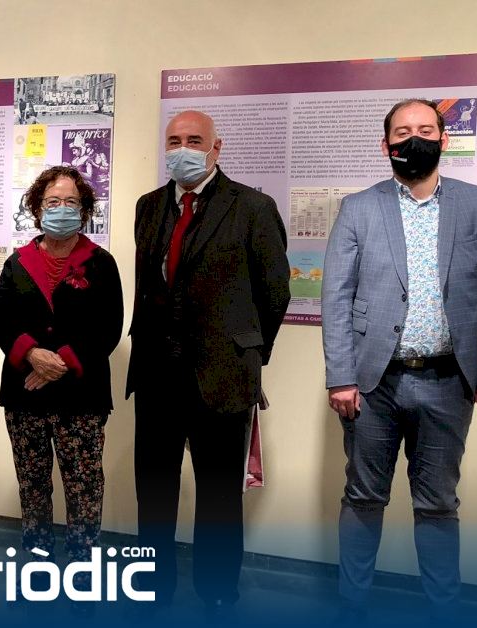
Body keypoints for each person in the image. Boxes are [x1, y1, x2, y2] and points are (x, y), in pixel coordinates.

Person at [322, 98, 477, 622]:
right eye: (403, 132)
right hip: (372, 384)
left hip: (448, 382)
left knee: (438, 504)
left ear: (444, 139)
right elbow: (335, 297)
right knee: (363, 497)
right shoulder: (359, 207)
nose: (414, 139)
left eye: (426, 130)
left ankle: (443, 610)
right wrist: (340, 377)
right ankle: (351, 606)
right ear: (385, 144)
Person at [126, 110, 290, 619]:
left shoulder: (253, 207)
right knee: (154, 490)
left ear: (216, 148)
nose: (183, 149)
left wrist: (247, 352)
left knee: (219, 495)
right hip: (157, 372)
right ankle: (152, 583)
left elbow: (274, 293)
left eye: (194, 140)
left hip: (222, 374)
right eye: (174, 140)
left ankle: (218, 591)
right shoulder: (149, 206)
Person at [0, 166, 122, 616]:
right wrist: (30, 353)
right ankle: (38, 569)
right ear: (37, 208)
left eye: (70, 202)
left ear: (83, 209)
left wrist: (59, 362)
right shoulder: (17, 262)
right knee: (33, 486)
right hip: (24, 396)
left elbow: (109, 326)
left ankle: (83, 574)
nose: (61, 209)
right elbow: (0, 319)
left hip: (80, 396)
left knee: (84, 488)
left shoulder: (101, 263)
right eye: (52, 202)